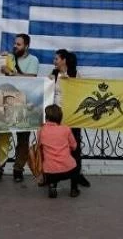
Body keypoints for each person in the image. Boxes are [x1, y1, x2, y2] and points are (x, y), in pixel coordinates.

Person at [0, 33, 39, 182]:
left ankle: (18, 169)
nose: (15, 46)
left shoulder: (33, 60)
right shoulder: (9, 58)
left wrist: (11, 72)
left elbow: (31, 79)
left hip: (25, 105)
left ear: (26, 46)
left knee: (23, 140)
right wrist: (1, 59)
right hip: (7, 104)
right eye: (15, 44)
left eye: (19, 44)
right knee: (2, 136)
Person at [50, 49, 89, 188]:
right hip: (56, 119)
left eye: (56, 59)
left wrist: (71, 82)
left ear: (64, 60)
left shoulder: (75, 74)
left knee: (74, 148)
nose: (54, 61)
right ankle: (53, 179)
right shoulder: (53, 75)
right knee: (56, 148)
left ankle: (76, 179)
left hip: (72, 118)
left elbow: (82, 92)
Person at [38, 104, 79, 198]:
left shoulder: (41, 130)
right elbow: (74, 146)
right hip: (67, 170)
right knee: (75, 166)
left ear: (46, 117)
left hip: (49, 172)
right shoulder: (66, 129)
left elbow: (39, 147)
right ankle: (74, 189)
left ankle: (52, 186)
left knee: (51, 163)